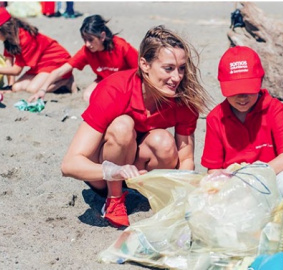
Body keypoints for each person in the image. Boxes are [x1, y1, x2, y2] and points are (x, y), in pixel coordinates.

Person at [61, 25, 211, 228]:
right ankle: (114, 200)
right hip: (105, 173)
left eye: (181, 68)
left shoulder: (183, 100)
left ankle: (150, 193)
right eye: (168, 68)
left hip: (138, 172)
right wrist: (116, 171)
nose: (177, 77)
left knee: (164, 141)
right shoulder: (115, 89)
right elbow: (69, 165)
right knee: (123, 125)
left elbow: (185, 159)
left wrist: (183, 198)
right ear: (144, 64)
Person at [201, 46, 283, 229]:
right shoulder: (215, 118)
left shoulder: (275, 109)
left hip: (268, 181)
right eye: (234, 91)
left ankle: (279, 221)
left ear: (260, 82)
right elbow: (213, 170)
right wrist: (233, 185)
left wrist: (253, 177)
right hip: (233, 186)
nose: (242, 97)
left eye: (248, 90)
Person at [28, 15, 138, 103]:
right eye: (84, 39)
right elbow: (62, 70)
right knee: (87, 96)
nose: (87, 44)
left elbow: (141, 70)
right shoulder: (86, 51)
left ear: (102, 36)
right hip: (105, 80)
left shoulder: (121, 46)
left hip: (126, 82)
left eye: (90, 39)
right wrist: (43, 90)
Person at [0, 7, 73, 94]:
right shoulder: (10, 37)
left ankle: (66, 81)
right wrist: (10, 86)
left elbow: (16, 70)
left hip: (57, 61)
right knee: (16, 87)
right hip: (39, 65)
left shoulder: (23, 38)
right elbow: (9, 62)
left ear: (3, 29)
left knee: (33, 89)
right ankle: (53, 80)